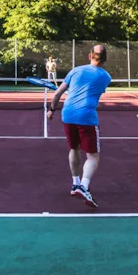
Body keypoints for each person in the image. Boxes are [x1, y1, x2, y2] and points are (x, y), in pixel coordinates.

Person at [47, 45, 111, 208]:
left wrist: (51, 110)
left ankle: (75, 183)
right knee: (92, 156)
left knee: (74, 149)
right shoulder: (106, 77)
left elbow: (56, 94)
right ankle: (83, 185)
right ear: (105, 59)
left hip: (68, 115)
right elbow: (92, 92)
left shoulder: (75, 71)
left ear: (90, 56)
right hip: (86, 117)